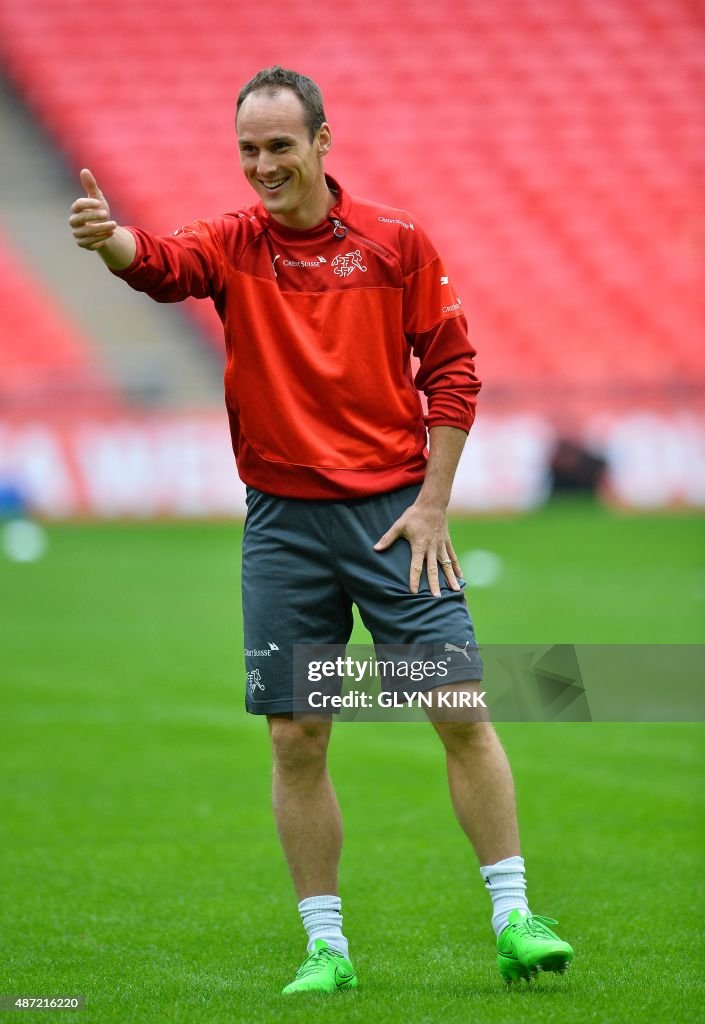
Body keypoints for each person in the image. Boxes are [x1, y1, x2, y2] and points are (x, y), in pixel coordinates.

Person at [69, 65, 573, 993]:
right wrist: (110, 244)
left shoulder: (396, 241)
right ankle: (326, 947)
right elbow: (161, 266)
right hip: (283, 531)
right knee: (297, 736)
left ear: (321, 143)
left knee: (458, 709)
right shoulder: (231, 242)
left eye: (279, 147)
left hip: (394, 522)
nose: (262, 166)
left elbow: (453, 369)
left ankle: (514, 918)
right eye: (248, 150)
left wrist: (432, 501)